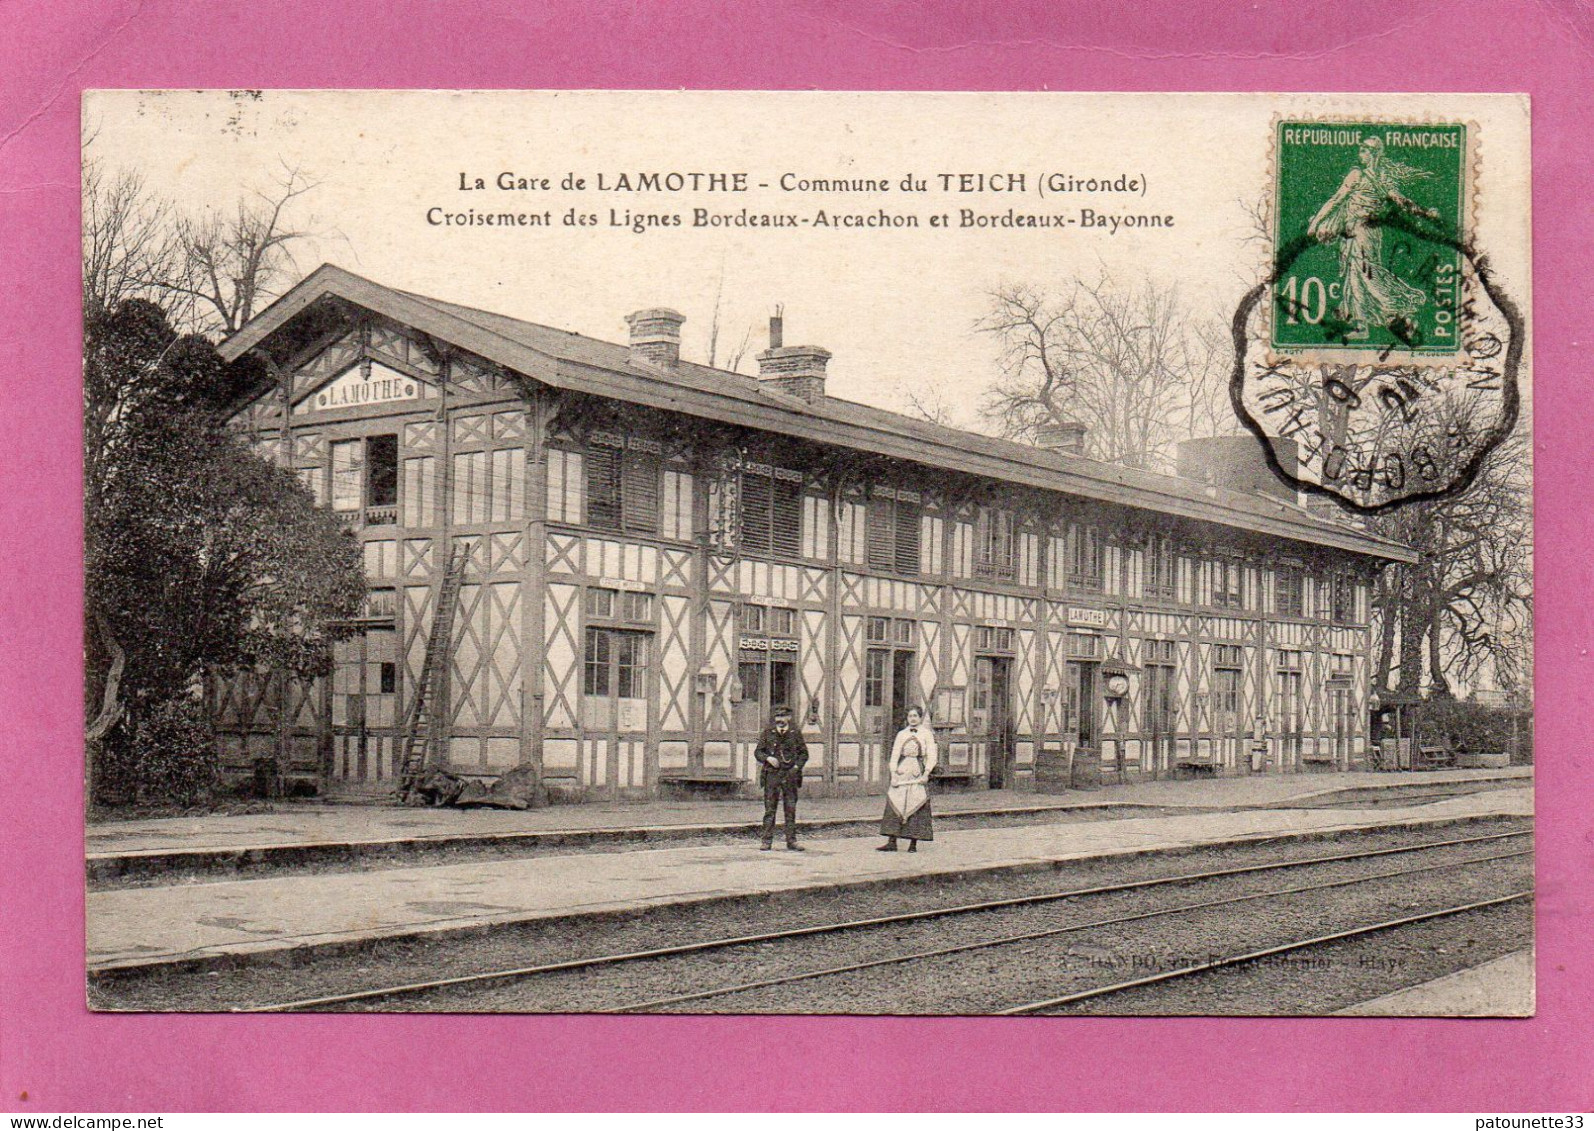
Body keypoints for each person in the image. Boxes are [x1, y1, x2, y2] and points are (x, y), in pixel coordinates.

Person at [1306, 135, 1441, 339]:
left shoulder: (1357, 175)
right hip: (1369, 232)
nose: (1360, 154)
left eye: (1363, 150)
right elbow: (1401, 201)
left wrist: (1315, 222)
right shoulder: (1385, 177)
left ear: (1373, 153)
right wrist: (1424, 212)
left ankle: (1393, 307)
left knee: (1364, 273)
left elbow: (1335, 200)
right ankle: (1360, 324)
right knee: (1357, 274)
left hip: (1360, 230)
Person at [878, 705, 937, 852]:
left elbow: (932, 755)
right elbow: (894, 755)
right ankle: (892, 841)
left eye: (915, 716)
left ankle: (913, 843)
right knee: (895, 802)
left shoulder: (926, 734)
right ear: (907, 718)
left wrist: (926, 773)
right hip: (902, 770)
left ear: (920, 717)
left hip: (917, 771)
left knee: (916, 803)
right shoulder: (901, 734)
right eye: (910, 716)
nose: (912, 719)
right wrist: (894, 774)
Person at [756, 705, 809, 851]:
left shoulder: (795, 733)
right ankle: (766, 841)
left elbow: (804, 754)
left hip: (790, 775)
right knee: (770, 809)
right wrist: (768, 758)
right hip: (772, 775)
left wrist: (796, 768)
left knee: (790, 809)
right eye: (777, 717)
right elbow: (758, 752)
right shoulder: (768, 732)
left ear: (789, 718)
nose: (779, 720)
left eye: (782, 717)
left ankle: (791, 841)